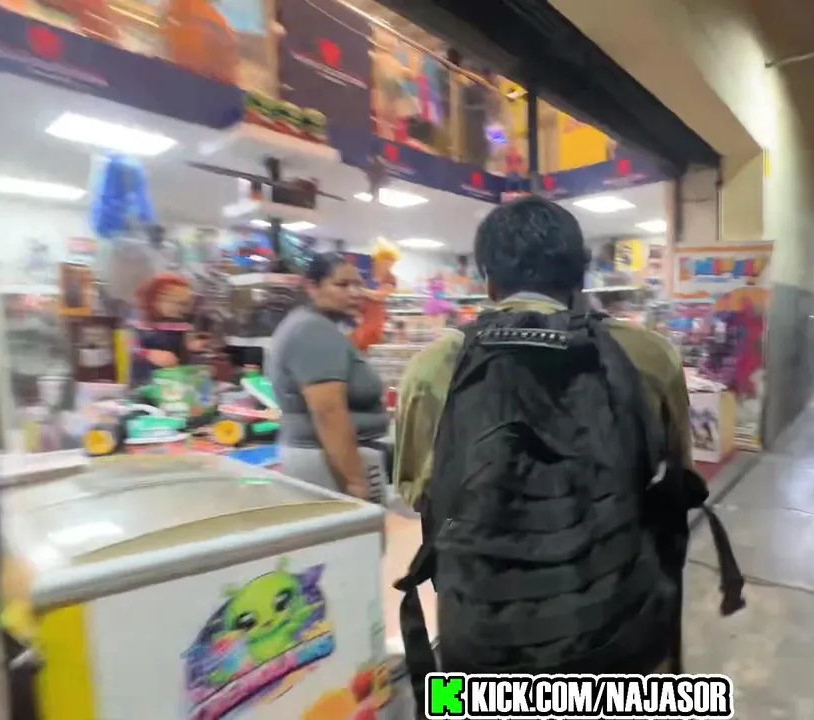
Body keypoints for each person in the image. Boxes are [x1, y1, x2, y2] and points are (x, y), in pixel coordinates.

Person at [391, 197, 742, 693]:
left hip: (481, 637)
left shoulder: (433, 367)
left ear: (488, 281)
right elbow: (676, 477)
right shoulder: (647, 355)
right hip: (616, 629)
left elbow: (419, 493)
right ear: (581, 276)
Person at [269, 253, 390, 501]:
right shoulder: (312, 330)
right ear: (312, 287)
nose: (355, 293)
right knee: (359, 525)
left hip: (326, 457)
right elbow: (328, 411)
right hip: (328, 463)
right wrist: (356, 482)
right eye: (342, 285)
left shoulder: (312, 325)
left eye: (358, 285)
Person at [129, 272, 208, 387]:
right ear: (153, 300)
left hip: (174, 381)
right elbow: (131, 346)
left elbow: (185, 344)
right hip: (145, 379)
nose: (179, 308)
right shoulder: (141, 324)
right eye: (172, 301)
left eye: (183, 304)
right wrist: (148, 353)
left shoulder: (182, 325)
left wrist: (194, 346)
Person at [350, 239, 400, 351]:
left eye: (391, 262)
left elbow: (379, 296)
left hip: (375, 317)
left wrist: (360, 289)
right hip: (357, 314)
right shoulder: (365, 273)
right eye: (385, 261)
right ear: (377, 260)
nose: (387, 265)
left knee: (370, 343)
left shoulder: (390, 278)